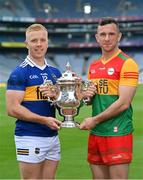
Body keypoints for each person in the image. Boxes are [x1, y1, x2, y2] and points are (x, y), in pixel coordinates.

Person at [80, 17, 139, 179]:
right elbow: (90, 101)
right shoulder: (94, 66)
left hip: (118, 132)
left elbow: (124, 104)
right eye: (103, 34)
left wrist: (94, 120)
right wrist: (87, 97)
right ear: (97, 38)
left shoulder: (127, 63)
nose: (107, 38)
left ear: (119, 36)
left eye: (111, 34)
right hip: (97, 133)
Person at [6, 24, 62, 179]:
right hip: (29, 137)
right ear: (26, 44)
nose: (39, 44)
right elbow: (12, 109)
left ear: (47, 42)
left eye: (42, 40)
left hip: (52, 136)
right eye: (34, 40)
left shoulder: (55, 72)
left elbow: (61, 106)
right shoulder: (19, 72)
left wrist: (57, 97)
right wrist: (43, 120)